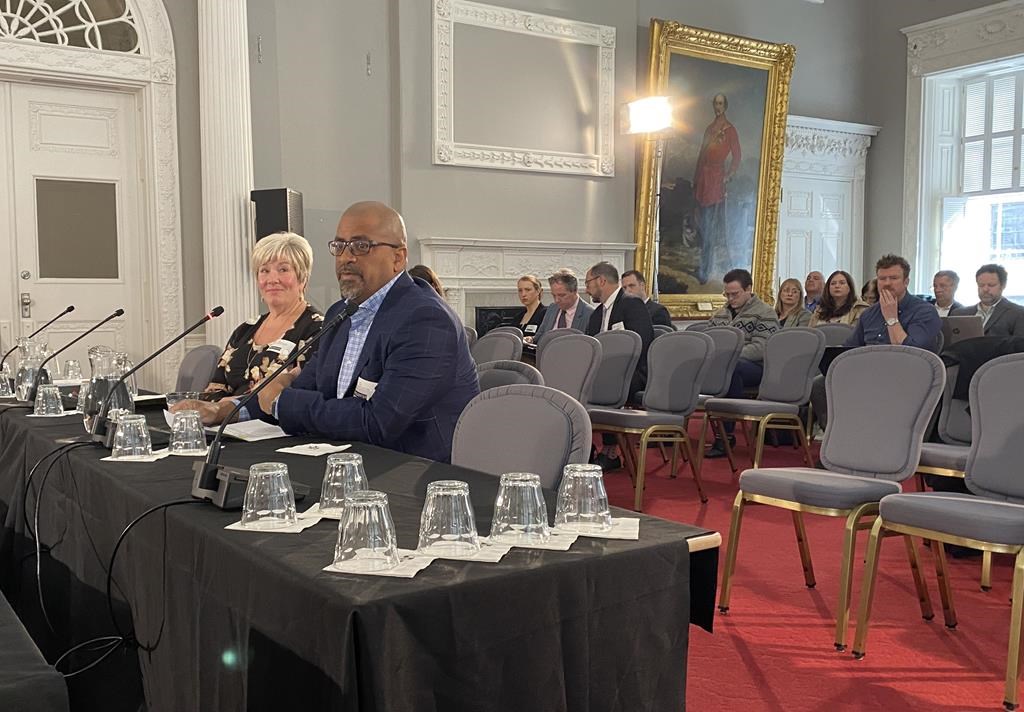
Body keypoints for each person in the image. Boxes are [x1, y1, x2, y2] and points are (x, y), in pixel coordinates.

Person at [245, 201, 479, 463]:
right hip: (349, 459)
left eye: (361, 246)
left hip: (415, 470)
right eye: (339, 246)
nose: (346, 257)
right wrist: (230, 409)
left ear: (398, 258)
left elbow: (378, 422)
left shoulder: (426, 320)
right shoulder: (340, 313)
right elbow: (305, 387)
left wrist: (281, 402)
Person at [174, 232, 324, 425]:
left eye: (283, 269)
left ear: (302, 278)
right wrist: (215, 407)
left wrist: (229, 406)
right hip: (227, 427)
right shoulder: (245, 329)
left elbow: (298, 394)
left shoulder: (317, 329)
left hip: (276, 432)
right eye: (264, 271)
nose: (272, 279)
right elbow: (215, 390)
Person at [811, 255, 942, 432]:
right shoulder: (869, 314)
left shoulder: (924, 311)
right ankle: (839, 435)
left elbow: (911, 355)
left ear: (906, 282)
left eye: (893, 278)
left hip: (905, 376)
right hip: (869, 372)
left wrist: (891, 318)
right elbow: (851, 348)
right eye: (882, 279)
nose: (887, 283)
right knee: (820, 384)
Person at [585, 262, 655, 472]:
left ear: (601, 281)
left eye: (588, 283)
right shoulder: (597, 314)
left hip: (633, 373)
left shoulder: (631, 304)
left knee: (604, 384)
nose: (586, 289)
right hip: (605, 372)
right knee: (578, 383)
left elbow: (643, 343)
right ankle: (584, 447)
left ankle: (611, 451)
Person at [705, 268, 781, 457]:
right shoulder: (720, 314)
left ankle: (725, 435)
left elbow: (761, 348)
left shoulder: (765, 313)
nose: (730, 298)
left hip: (756, 368)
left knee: (731, 369)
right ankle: (670, 430)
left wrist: (728, 357)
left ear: (748, 289)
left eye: (735, 294)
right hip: (722, 365)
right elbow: (708, 341)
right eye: (727, 294)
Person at [694, 93, 742, 284]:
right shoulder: (709, 129)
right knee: (702, 225)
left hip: (716, 181)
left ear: (725, 106)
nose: (717, 106)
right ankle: (704, 267)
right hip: (704, 180)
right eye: (715, 103)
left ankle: (706, 270)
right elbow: (701, 156)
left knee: (710, 228)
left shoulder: (730, 130)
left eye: (720, 103)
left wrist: (729, 175)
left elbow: (737, 156)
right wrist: (696, 179)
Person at [950, 264, 1024, 336]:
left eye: (991, 285)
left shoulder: (1018, 314)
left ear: (1003, 286)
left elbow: (1019, 343)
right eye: (981, 285)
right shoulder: (958, 314)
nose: (985, 289)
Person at [531, 269, 594, 342]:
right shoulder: (552, 308)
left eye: (562, 295)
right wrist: (530, 339)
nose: (557, 300)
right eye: (554, 295)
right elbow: (539, 336)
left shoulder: (589, 313)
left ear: (575, 291)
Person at [515, 274, 548, 340]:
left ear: (538, 291)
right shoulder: (518, 316)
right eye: (520, 290)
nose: (523, 294)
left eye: (528, 290)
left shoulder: (546, 314)